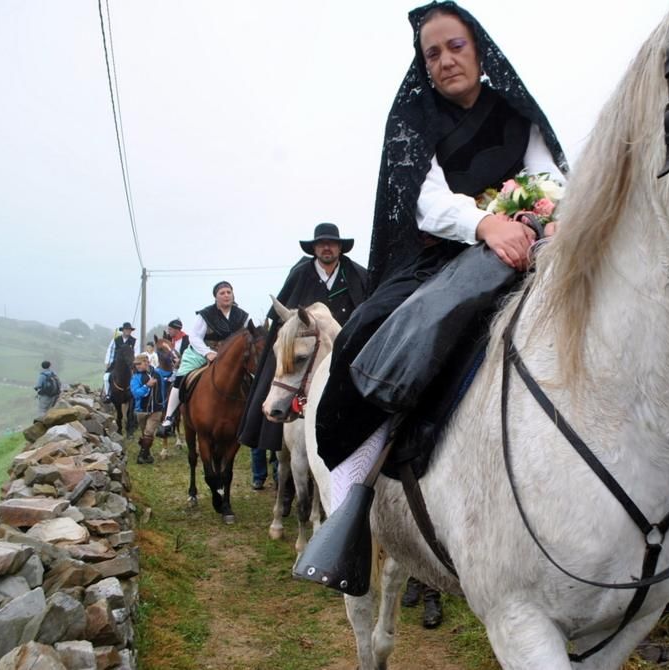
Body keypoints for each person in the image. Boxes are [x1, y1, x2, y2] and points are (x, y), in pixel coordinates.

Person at [310, 0, 566, 618]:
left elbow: (548, 176)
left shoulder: (515, 112)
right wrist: (484, 224)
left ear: (478, 49)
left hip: (532, 243)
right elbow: (423, 200)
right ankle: (356, 483)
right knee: (367, 335)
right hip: (440, 254)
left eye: (455, 46)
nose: (445, 59)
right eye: (433, 53)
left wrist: (544, 219)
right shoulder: (413, 117)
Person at [238, 222, 369, 490]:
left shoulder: (356, 275)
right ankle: (282, 470)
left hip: (345, 348)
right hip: (305, 352)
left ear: (340, 247)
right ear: (314, 249)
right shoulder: (301, 274)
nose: (327, 247)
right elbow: (282, 319)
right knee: (280, 383)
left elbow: (368, 310)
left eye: (331, 243)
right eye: (321, 244)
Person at [157, 281, 253, 436]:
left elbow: (251, 334)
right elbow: (194, 337)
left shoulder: (242, 315)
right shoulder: (206, 314)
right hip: (201, 352)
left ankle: (255, 415)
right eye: (222, 293)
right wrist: (207, 353)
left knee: (254, 376)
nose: (226, 295)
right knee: (181, 377)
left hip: (231, 355)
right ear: (216, 297)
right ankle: (169, 418)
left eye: (229, 292)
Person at [130, 353, 171, 464]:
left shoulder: (158, 373)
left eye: (139, 363)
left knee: (149, 432)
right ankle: (147, 455)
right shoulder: (135, 378)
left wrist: (175, 364)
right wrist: (147, 386)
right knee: (146, 435)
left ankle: (141, 456)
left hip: (156, 410)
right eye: (136, 364)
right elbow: (136, 393)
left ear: (147, 362)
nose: (137, 366)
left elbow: (169, 373)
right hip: (141, 411)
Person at [103, 322, 136, 401]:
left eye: (129, 330)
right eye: (126, 329)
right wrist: (107, 362)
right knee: (106, 377)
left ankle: (134, 393)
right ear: (123, 330)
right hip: (116, 364)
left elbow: (136, 352)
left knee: (135, 377)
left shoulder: (134, 341)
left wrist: (134, 364)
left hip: (129, 364)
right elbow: (110, 351)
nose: (128, 331)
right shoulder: (115, 340)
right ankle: (108, 394)